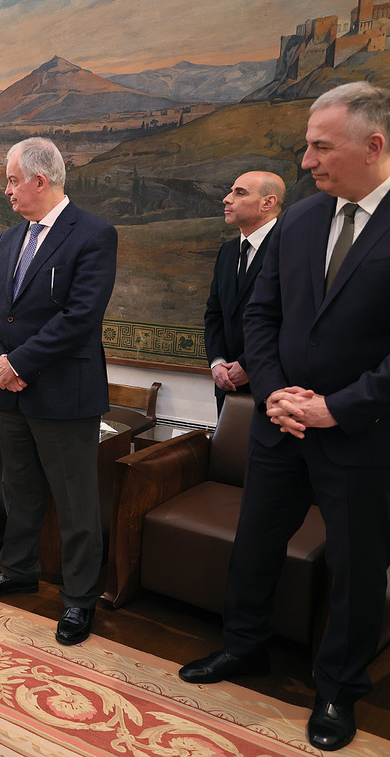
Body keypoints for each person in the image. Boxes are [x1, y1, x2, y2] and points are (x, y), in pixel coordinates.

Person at [179, 81, 390, 752]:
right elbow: (260, 316)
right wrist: (272, 393)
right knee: (257, 542)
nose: (306, 161)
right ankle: (244, 647)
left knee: (357, 566)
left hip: (362, 434)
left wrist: (335, 408)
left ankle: (338, 689)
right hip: (279, 424)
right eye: (307, 146)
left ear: (374, 146)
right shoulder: (299, 220)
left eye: (321, 147)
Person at [0, 137, 117, 647]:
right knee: (20, 490)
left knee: (75, 503)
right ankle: (18, 571)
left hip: (64, 394)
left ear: (39, 180)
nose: (6, 190)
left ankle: (79, 599)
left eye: (12, 180)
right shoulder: (10, 237)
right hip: (10, 392)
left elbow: (80, 317)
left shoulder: (93, 234)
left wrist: (18, 363)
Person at [204, 172, 283, 412]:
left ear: (267, 203)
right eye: (231, 191)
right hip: (227, 385)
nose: (227, 199)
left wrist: (248, 364)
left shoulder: (291, 247)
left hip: (274, 384)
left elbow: (293, 317)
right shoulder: (228, 251)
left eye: (239, 193)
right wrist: (217, 362)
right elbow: (215, 313)